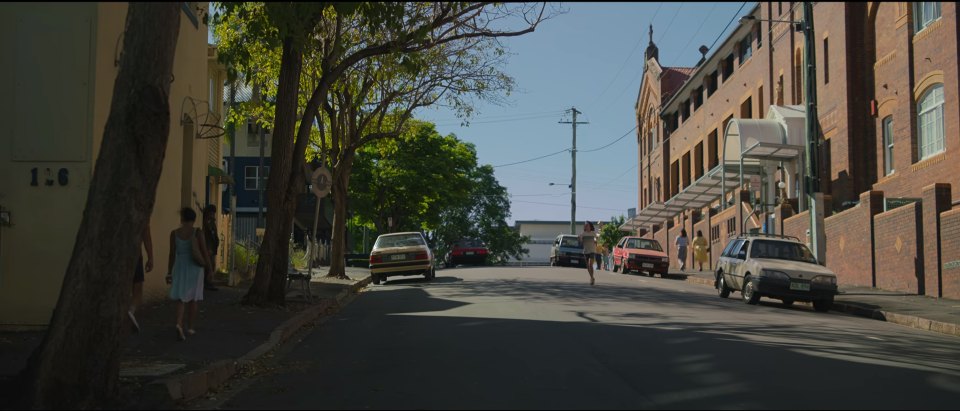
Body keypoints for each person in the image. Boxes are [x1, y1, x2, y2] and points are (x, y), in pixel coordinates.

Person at [168, 207, 209, 341]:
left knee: (181, 297)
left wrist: (169, 271)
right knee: (193, 298)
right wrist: (209, 267)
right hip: (195, 267)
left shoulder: (174, 233)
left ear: (182, 219)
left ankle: (178, 323)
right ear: (194, 219)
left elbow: (172, 254)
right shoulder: (197, 232)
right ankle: (190, 327)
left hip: (180, 265)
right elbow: (204, 251)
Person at [128, 224, 154, 333]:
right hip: (135, 253)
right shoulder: (140, 212)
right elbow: (146, 234)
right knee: (138, 289)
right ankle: (131, 311)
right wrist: (150, 257)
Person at [202, 205, 220, 291]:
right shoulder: (207, 222)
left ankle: (209, 282)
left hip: (212, 246)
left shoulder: (212, 222)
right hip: (209, 246)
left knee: (212, 264)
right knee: (209, 265)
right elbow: (208, 234)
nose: (213, 215)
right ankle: (207, 282)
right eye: (212, 213)